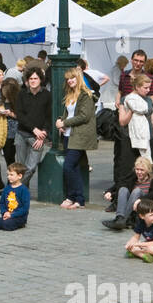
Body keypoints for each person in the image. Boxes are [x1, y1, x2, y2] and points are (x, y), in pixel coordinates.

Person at [53, 66, 96, 208]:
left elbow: (84, 116)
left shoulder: (85, 95)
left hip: (79, 136)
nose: (70, 81)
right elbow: (68, 113)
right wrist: (60, 120)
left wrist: (64, 122)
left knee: (68, 166)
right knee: (75, 167)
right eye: (68, 79)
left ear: (78, 78)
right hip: (67, 135)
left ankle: (73, 197)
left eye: (72, 78)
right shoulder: (70, 95)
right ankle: (78, 199)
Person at [15, 67, 52, 188]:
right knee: (20, 168)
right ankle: (21, 193)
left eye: (36, 78)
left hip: (38, 138)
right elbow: (20, 115)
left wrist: (44, 133)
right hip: (22, 134)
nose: (33, 81)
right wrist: (34, 129)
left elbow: (49, 116)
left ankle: (14, 187)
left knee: (30, 168)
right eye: (30, 78)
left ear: (41, 80)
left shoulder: (47, 95)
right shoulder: (22, 93)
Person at [103, 156, 153, 232]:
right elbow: (121, 183)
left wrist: (140, 199)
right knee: (123, 189)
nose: (139, 172)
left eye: (142, 170)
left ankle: (123, 220)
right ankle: (120, 217)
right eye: (137, 169)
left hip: (143, 205)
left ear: (147, 170)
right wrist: (110, 192)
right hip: (131, 207)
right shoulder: (134, 177)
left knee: (137, 191)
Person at [0, 163, 30, 231]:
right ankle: (7, 222)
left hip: (19, 216)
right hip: (8, 214)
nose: (8, 177)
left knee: (7, 225)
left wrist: (12, 215)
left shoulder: (24, 190)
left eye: (11, 175)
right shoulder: (7, 188)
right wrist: (5, 212)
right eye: (8, 174)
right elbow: (1, 203)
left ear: (19, 176)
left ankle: (20, 224)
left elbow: (25, 208)